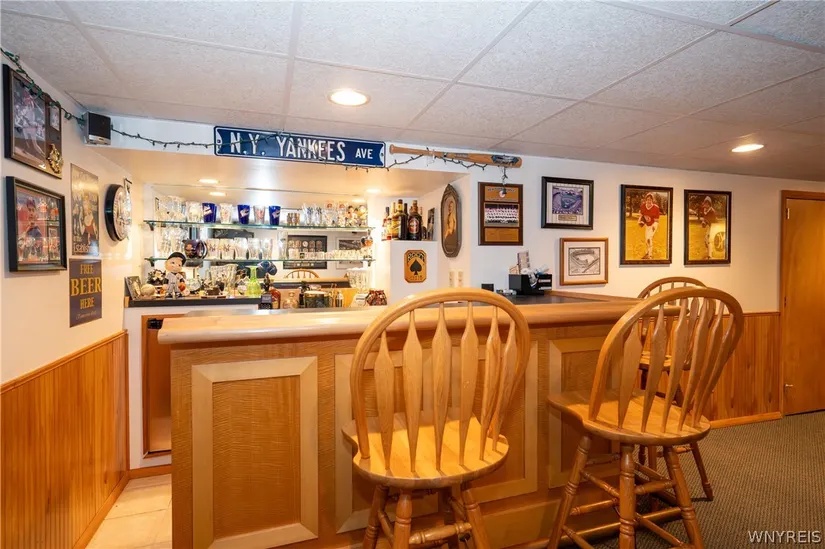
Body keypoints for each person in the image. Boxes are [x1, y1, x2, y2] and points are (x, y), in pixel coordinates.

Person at [637, 193, 660, 260]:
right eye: (647, 199)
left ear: (652, 200)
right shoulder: (643, 206)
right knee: (646, 240)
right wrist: (640, 221)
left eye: (650, 200)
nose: (649, 201)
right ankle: (647, 253)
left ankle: (650, 255)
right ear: (646, 200)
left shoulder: (656, 208)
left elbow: (656, 220)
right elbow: (641, 215)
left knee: (649, 239)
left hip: (653, 225)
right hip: (647, 225)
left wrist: (654, 226)